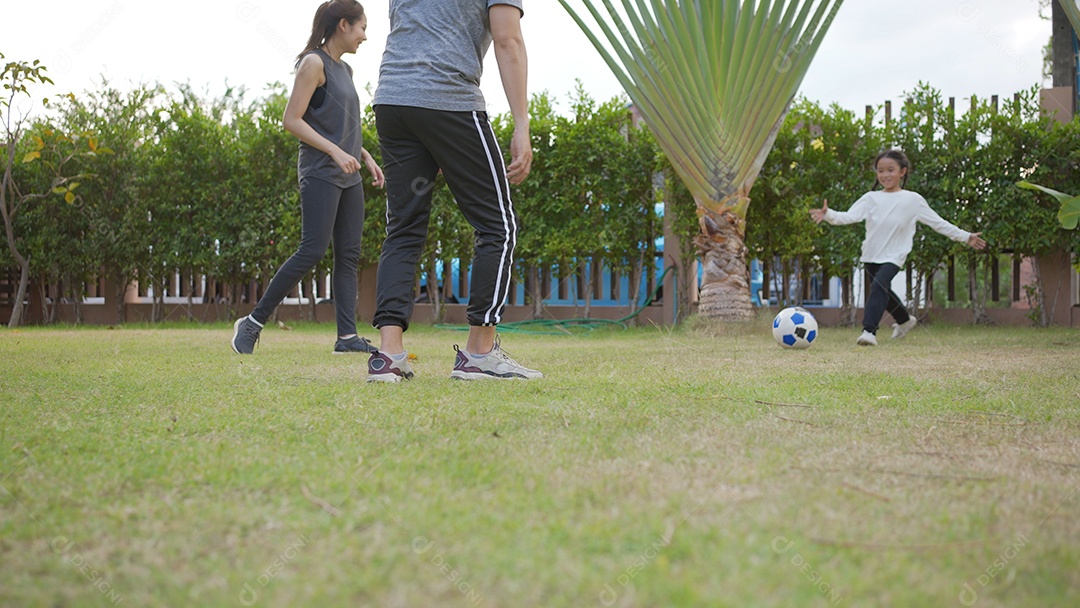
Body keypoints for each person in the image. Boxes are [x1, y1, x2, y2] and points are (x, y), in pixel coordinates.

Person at [365, 0, 541, 382]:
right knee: (499, 226)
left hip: (393, 100)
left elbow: (408, 26)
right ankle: (480, 352)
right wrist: (522, 125)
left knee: (403, 228)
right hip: (448, 98)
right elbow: (508, 39)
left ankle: (389, 355)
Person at [232, 0, 384, 356]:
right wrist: (334, 151)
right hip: (320, 173)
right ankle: (253, 322)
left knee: (348, 255)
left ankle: (346, 338)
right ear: (344, 25)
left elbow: (339, 122)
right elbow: (292, 120)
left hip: (349, 174)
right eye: (362, 27)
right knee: (312, 249)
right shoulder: (313, 63)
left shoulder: (344, 71)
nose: (365, 36)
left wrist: (364, 154)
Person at [810, 149, 987, 346]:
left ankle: (869, 331)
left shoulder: (913, 200)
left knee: (878, 287)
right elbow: (849, 216)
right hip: (871, 254)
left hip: (895, 255)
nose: (885, 175)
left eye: (890, 170)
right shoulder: (870, 198)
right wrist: (829, 215)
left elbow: (938, 223)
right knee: (883, 291)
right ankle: (904, 320)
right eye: (880, 171)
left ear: (902, 172)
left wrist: (965, 237)